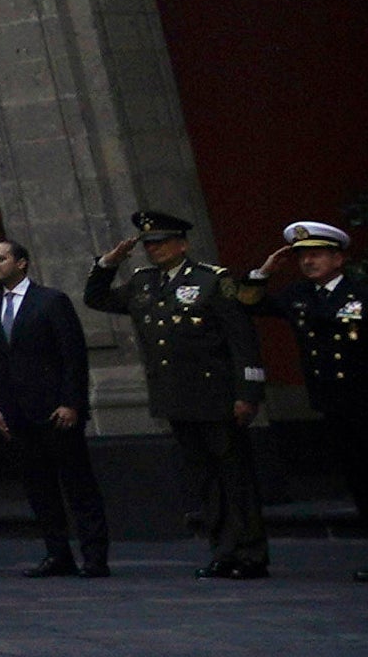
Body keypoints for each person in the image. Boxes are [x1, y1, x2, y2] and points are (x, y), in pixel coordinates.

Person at [88, 207, 268, 578]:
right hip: (176, 396)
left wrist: (248, 392)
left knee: (233, 477)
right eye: (150, 244)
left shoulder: (212, 280)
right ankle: (222, 550)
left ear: (182, 244)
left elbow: (241, 341)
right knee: (203, 477)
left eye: (163, 243)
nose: (155, 250)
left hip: (216, 395)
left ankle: (250, 553)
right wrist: (108, 263)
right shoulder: (143, 282)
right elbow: (97, 298)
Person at [234, 222, 368, 580]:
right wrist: (264, 271)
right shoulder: (299, 296)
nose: (308, 262)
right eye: (302, 256)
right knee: (363, 485)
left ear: (338, 258)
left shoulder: (366, 296)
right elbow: (248, 303)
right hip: (333, 405)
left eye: (316, 254)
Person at [0, 238, 109, 577]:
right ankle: (57, 553)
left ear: (21, 263)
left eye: (0, 258)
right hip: (15, 413)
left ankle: (94, 556)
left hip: (55, 410)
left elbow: (72, 356)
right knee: (39, 488)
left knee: (77, 485)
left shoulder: (51, 301)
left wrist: (71, 402)